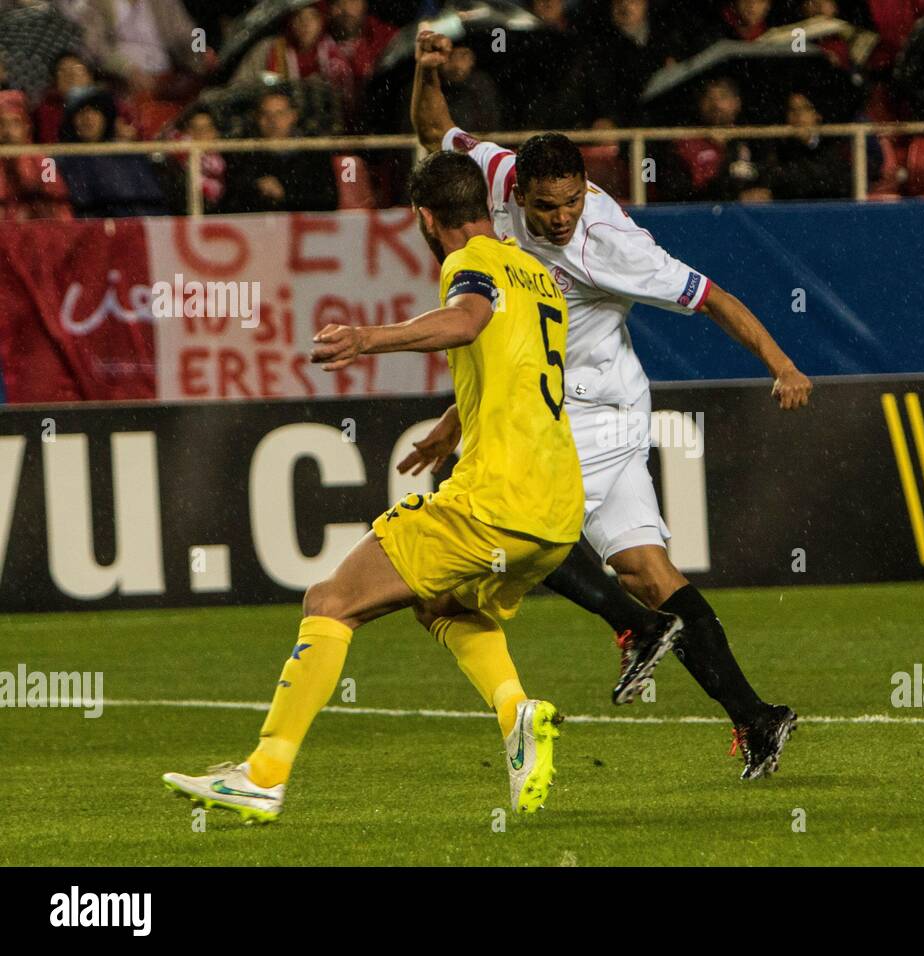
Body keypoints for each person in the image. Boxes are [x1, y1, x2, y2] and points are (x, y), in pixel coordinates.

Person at [411, 30, 813, 780]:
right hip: (585, 402)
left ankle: (635, 631)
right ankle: (757, 718)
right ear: (517, 191)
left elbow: (714, 299)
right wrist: (425, 68)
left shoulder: (611, 245)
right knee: (650, 572)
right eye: (546, 208)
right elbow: (434, 130)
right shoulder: (495, 171)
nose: (559, 220)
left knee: (510, 533)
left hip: (584, 414)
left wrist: (781, 363)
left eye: (570, 205)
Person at [163, 151, 586, 822]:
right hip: (559, 511)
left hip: (495, 500)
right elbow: (524, 363)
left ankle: (264, 773)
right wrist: (454, 422)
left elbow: (468, 320)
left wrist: (365, 338)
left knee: (330, 600)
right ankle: (517, 714)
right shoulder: (536, 272)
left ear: (424, 217)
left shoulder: (468, 262)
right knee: (440, 601)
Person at [220, 89, 338, 214]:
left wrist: (286, 194)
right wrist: (256, 189)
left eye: (279, 113)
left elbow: (328, 200)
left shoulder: (314, 152)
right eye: (266, 114)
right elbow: (231, 201)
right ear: (257, 118)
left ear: (293, 116)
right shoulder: (243, 154)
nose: (272, 121)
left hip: (303, 228)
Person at [57, 85, 166, 217]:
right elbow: (48, 200)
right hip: (82, 232)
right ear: (71, 120)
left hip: (133, 230)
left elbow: (152, 205)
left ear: (105, 118)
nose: (88, 118)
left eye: (95, 111)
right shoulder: (52, 160)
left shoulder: (130, 155)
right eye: (81, 112)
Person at [659, 76, 771, 202]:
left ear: (737, 103)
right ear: (700, 104)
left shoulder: (755, 140)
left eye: (723, 96)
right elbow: (676, 194)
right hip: (704, 217)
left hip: (752, 219)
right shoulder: (685, 143)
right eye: (709, 97)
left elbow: (770, 182)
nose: (716, 104)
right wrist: (734, 199)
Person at [0, 89, 71, 220]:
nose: (7, 131)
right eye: (1, 124)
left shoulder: (45, 160)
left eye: (15, 123)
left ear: (26, 126)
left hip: (37, 230)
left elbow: (58, 203)